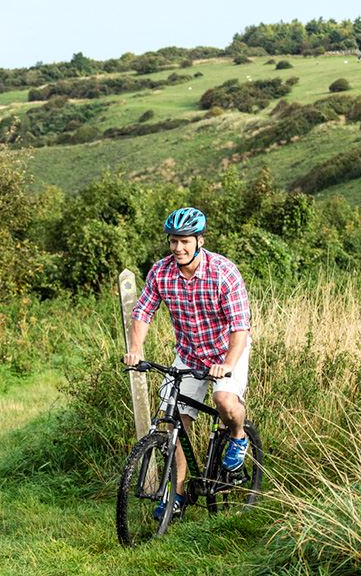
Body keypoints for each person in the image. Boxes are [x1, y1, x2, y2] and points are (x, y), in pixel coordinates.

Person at [122, 207, 252, 521]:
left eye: (185, 241)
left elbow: (240, 327)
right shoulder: (161, 272)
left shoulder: (223, 271)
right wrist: (135, 349)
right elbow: (143, 313)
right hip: (189, 354)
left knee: (224, 400)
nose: (178, 248)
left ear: (199, 240)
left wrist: (227, 365)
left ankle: (238, 436)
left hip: (226, 352)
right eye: (173, 241)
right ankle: (176, 495)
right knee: (173, 425)